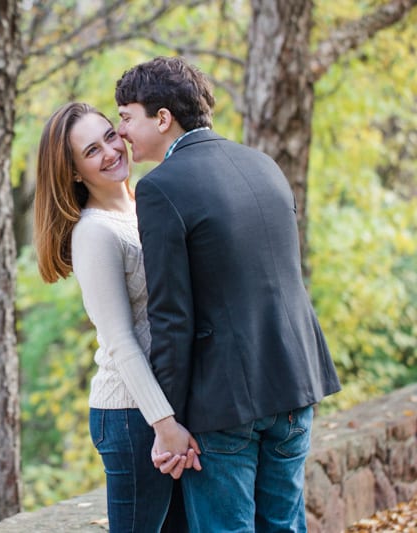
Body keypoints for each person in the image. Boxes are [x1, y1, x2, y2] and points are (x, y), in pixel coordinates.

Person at [114, 56, 342, 532]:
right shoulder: (262, 164)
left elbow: (170, 316)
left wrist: (168, 420)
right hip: (295, 381)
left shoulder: (159, 189)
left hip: (223, 404)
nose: (122, 131)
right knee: (284, 525)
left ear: (162, 117)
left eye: (126, 115)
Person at [33, 102, 199, 533]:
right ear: (72, 172)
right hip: (130, 415)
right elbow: (121, 341)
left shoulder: (147, 201)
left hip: (169, 404)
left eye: (110, 135)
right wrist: (165, 426)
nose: (111, 152)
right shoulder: (94, 232)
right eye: (91, 151)